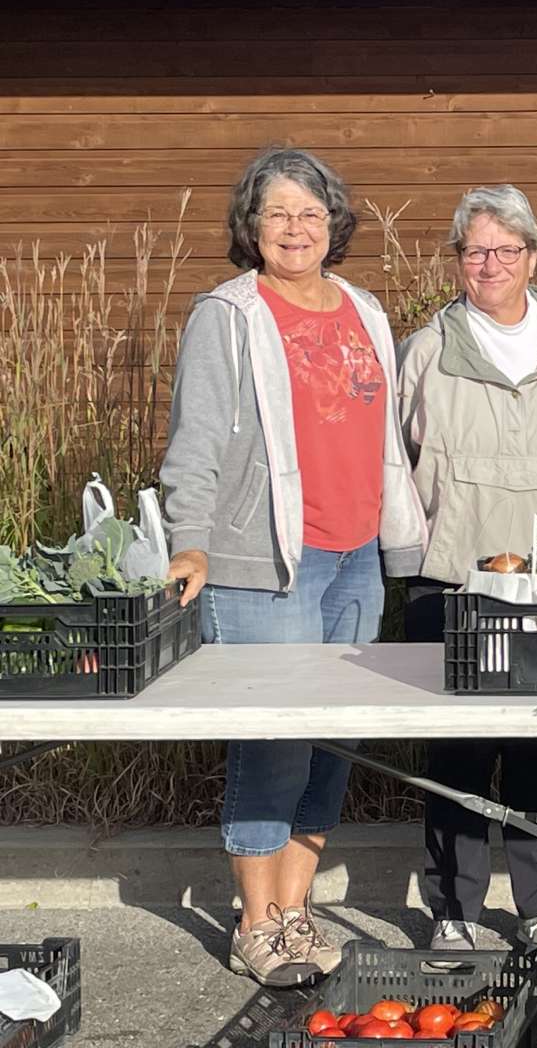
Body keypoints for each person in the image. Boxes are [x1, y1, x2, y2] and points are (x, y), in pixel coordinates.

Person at [160, 146, 428, 986]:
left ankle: (298, 911)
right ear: (251, 226)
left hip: (355, 558)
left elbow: (386, 438)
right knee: (272, 742)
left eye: (310, 213)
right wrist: (188, 538)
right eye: (277, 213)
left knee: (332, 742)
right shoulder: (228, 314)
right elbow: (196, 438)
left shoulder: (365, 309)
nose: (295, 228)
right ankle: (256, 921)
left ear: (333, 224)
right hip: (263, 562)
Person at [397, 184, 537, 960]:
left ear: (533, 255)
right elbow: (401, 458)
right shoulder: (429, 348)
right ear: (457, 261)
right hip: (458, 578)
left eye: (505, 249)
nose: (489, 264)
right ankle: (452, 909)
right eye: (474, 251)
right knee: (458, 748)